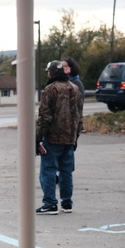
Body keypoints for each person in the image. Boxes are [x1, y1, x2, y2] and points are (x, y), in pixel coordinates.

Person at [35, 60, 82, 215]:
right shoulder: (74, 89)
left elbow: (45, 117)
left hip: (53, 138)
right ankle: (67, 203)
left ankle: (50, 203)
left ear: (51, 73)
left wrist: (38, 138)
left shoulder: (50, 89)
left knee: (48, 171)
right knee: (66, 172)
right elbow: (78, 116)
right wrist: (75, 136)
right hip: (69, 138)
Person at [65, 57, 87, 133]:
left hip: (74, 121)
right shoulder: (65, 82)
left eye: (65, 66)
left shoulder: (76, 83)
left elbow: (79, 103)